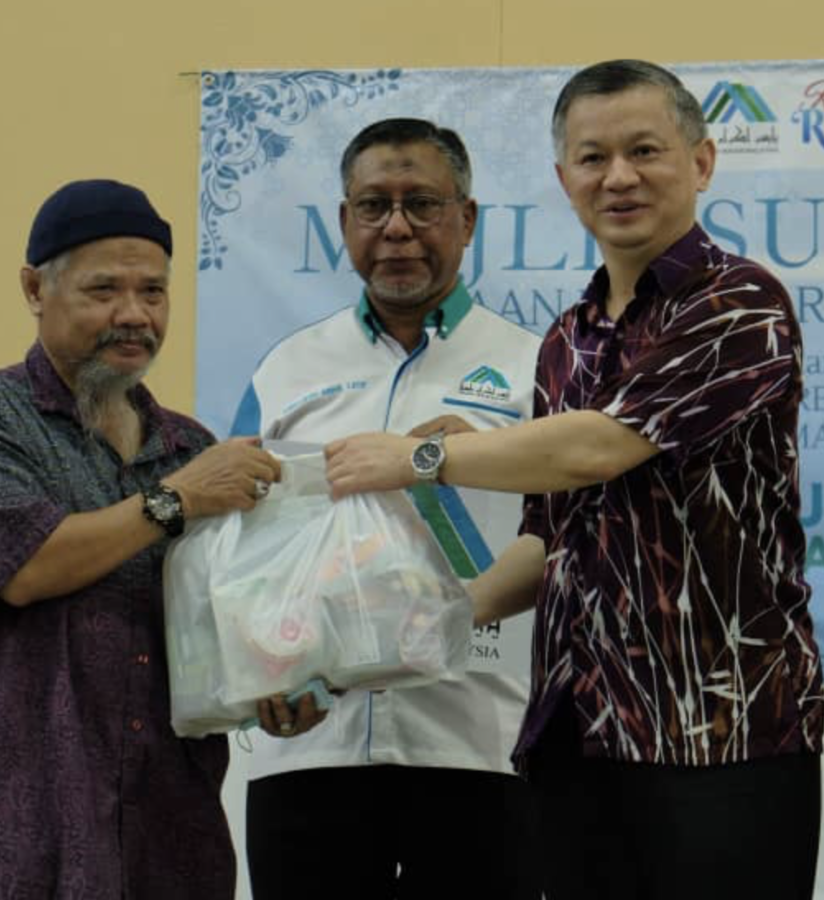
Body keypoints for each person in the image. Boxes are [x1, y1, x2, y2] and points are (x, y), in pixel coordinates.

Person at [325, 59, 824, 900]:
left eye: (644, 151)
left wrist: (419, 458)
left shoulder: (739, 302)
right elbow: (551, 538)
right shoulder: (567, 340)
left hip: (722, 733)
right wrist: (430, 622)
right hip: (578, 737)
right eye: (593, 158)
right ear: (565, 180)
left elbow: (601, 447)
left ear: (701, 162)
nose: (618, 177)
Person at [0, 179, 282, 899]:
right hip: (24, 842)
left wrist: (280, 685)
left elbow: (233, 626)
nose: (134, 315)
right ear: (34, 289)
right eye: (104, 290)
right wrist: (177, 500)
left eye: (154, 292)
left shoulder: (188, 446)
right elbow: (24, 569)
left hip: (173, 838)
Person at [231, 118, 541, 900]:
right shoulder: (285, 369)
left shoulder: (538, 367)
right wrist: (255, 666)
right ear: (345, 221)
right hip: (311, 750)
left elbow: (575, 539)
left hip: (481, 748)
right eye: (373, 206)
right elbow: (239, 543)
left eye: (422, 204)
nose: (396, 228)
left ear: (466, 219)